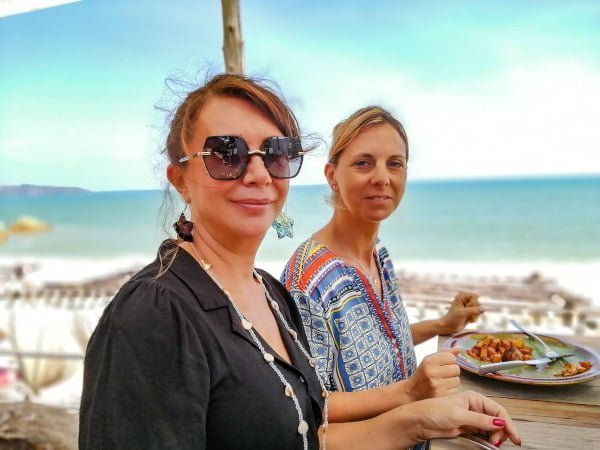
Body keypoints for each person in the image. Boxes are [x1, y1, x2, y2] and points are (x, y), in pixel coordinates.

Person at [79, 75, 519, 449]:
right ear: (181, 179)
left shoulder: (269, 294)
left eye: (275, 153)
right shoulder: (153, 314)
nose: (257, 173)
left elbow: (304, 427)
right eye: (225, 153)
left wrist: (417, 418)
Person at [281, 106, 483, 397]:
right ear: (332, 175)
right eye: (363, 163)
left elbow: (384, 346)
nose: (382, 177)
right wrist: (411, 393)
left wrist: (442, 324)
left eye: (395, 164)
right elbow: (312, 406)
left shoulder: (378, 254)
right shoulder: (309, 284)